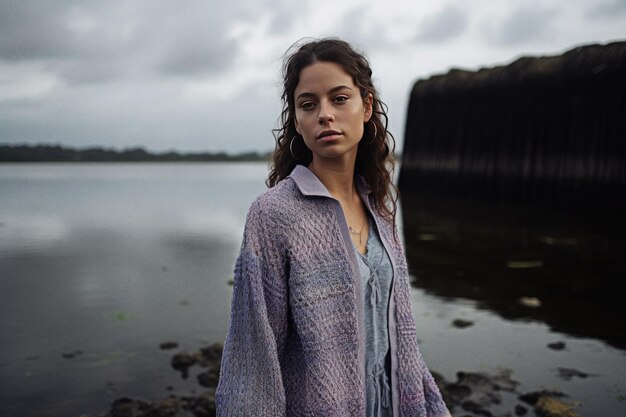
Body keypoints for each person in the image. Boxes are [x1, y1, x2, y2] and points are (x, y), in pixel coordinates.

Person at [216, 38, 450, 417]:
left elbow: (399, 336)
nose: (325, 114)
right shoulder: (274, 215)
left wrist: (434, 407)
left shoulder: (379, 205)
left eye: (340, 98)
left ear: (366, 106)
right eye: (309, 104)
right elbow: (253, 359)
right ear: (297, 119)